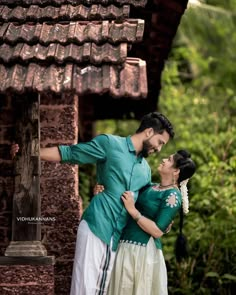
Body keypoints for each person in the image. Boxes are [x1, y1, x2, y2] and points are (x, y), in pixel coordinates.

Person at [10, 112, 175, 295]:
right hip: (97, 226)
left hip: (115, 238)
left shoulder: (145, 170)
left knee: (100, 290)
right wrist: (30, 152)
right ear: (149, 132)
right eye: (160, 142)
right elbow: (72, 153)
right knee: (86, 288)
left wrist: (163, 221)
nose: (159, 149)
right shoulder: (110, 144)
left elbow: (147, 201)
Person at [94, 149, 196, 295]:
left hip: (141, 252)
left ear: (176, 171)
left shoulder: (172, 195)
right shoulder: (150, 186)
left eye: (169, 159)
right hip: (123, 245)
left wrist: (133, 210)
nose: (164, 160)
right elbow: (123, 197)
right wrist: (104, 193)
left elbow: (157, 231)